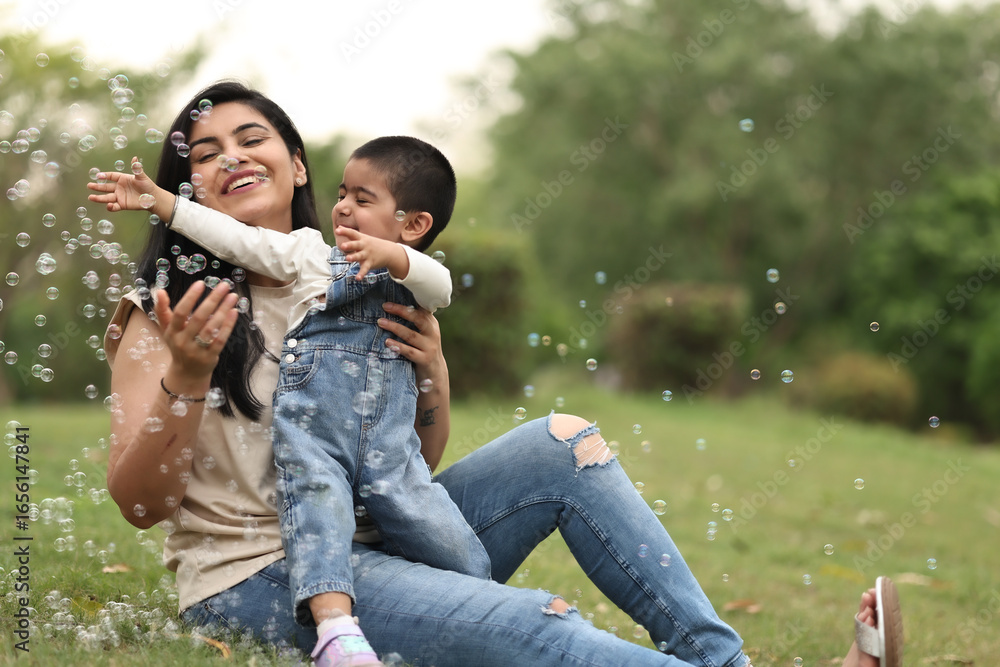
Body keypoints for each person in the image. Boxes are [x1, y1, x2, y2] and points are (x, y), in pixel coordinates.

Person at [93, 80, 901, 667]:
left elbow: (414, 460)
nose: (231, 157)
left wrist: (433, 368)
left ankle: (720, 660)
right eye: (204, 153)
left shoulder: (362, 282)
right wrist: (189, 376)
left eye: (251, 138)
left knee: (564, 443)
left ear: (298, 166)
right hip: (265, 574)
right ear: (185, 188)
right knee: (538, 623)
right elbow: (139, 503)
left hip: (387, 535)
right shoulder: (163, 313)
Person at [90, 132, 491, 665]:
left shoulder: (414, 285)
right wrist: (164, 202)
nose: (343, 207)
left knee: (449, 544)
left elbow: (439, 285)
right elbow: (234, 239)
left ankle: (475, 608)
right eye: (343, 193)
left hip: (390, 456)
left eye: (362, 199)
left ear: (414, 225)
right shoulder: (310, 256)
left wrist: (394, 263)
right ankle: (335, 630)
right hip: (315, 443)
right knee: (320, 513)